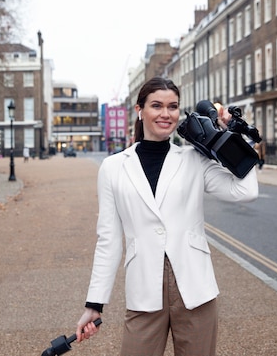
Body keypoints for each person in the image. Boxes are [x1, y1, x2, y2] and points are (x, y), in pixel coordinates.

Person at [76, 77, 259, 356]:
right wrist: (94, 304)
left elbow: (245, 191)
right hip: (144, 291)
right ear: (140, 110)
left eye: (173, 106)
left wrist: (232, 136)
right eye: (157, 105)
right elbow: (109, 241)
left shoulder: (194, 159)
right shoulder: (112, 168)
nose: (166, 113)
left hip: (195, 288)